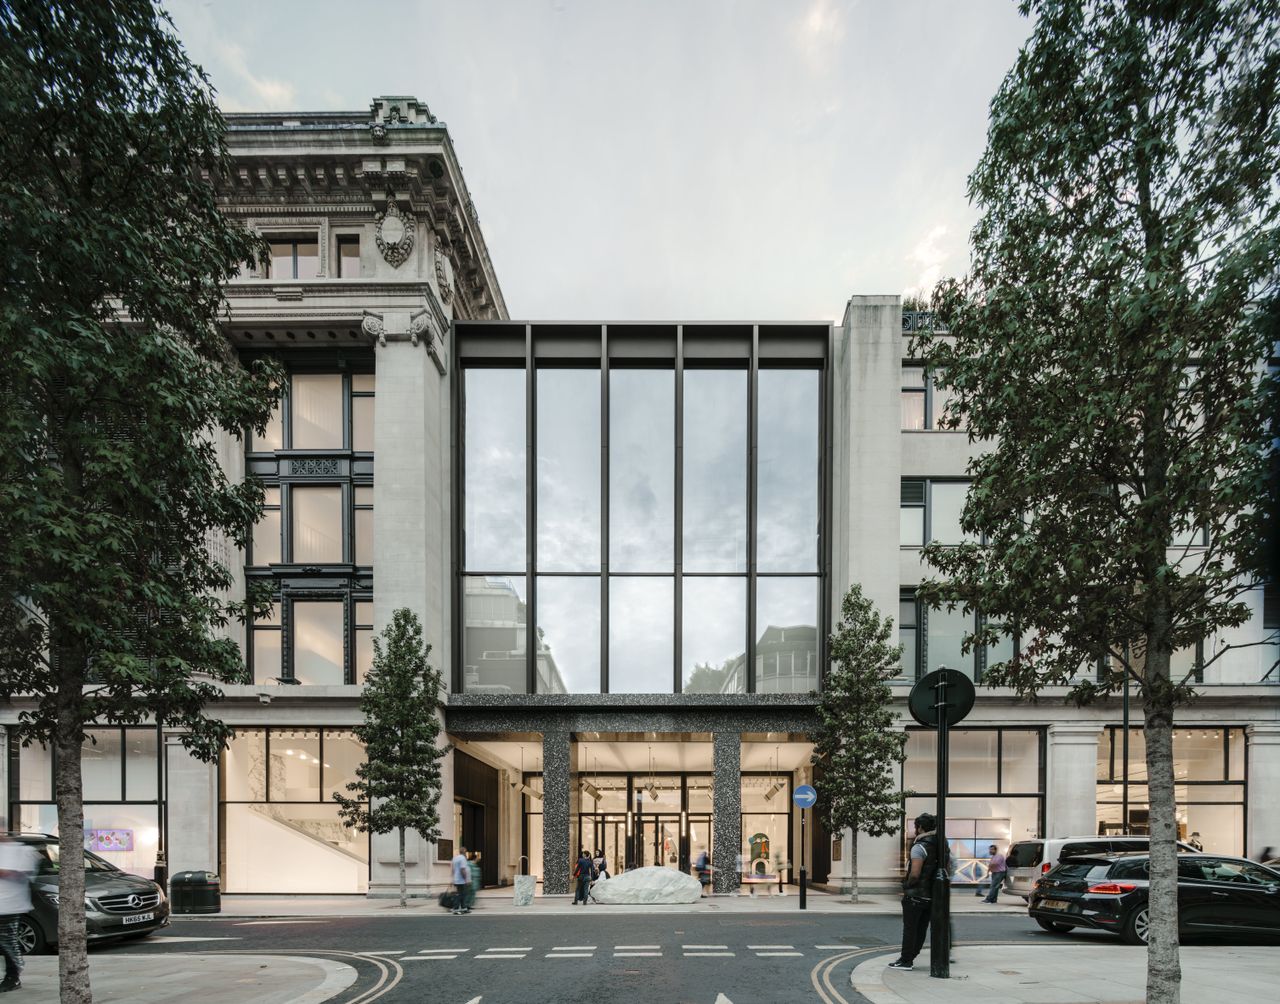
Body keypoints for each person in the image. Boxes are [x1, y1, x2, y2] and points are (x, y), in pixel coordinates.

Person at [888, 812, 948, 972]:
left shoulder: (919, 847)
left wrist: (906, 886)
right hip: (931, 896)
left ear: (920, 827)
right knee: (921, 929)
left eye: (915, 827)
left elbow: (915, 873)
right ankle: (911, 957)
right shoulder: (941, 845)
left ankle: (906, 960)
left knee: (910, 929)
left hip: (915, 895)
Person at [0, 835, 38, 992]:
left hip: (10, 905)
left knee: (6, 941)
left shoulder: (23, 850)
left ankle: (13, 976)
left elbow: (21, 873)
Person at [450, 844, 471, 915]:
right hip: (461, 880)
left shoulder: (455, 858)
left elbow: (452, 869)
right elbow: (463, 869)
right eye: (465, 851)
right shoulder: (462, 858)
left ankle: (464, 908)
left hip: (456, 879)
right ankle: (455, 909)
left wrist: (453, 878)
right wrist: (466, 879)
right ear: (464, 852)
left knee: (462, 894)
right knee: (460, 895)